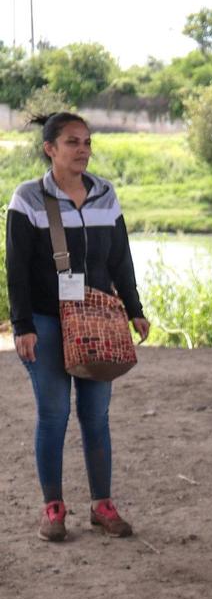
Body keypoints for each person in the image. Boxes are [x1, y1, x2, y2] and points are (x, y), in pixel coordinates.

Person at [6, 112, 149, 542]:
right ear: (50, 149)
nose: (83, 149)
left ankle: (102, 505)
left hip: (97, 319)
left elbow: (120, 258)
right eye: (73, 142)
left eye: (87, 142)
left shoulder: (106, 194)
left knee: (96, 415)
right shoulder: (28, 198)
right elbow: (16, 268)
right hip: (47, 321)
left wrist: (135, 309)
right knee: (54, 414)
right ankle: (53, 508)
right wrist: (23, 325)